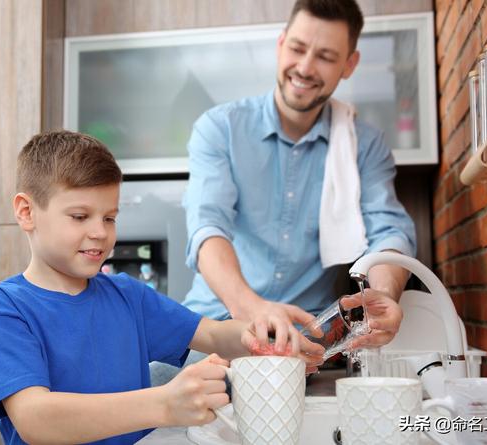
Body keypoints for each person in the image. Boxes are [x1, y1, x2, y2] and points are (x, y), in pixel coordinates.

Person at [0, 131, 324, 445]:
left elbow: (214, 335)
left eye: (109, 217)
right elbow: (36, 420)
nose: (100, 232)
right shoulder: (3, 309)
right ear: (26, 212)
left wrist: (259, 332)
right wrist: (163, 404)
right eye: (80, 217)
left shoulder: (127, 296)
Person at [151, 0, 417, 385]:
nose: (306, 68)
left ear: (349, 65)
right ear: (280, 45)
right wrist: (253, 310)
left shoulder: (363, 145)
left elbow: (389, 233)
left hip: (300, 350)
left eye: (326, 56)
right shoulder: (219, 128)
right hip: (212, 331)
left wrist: (384, 296)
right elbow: (208, 229)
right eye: (297, 48)